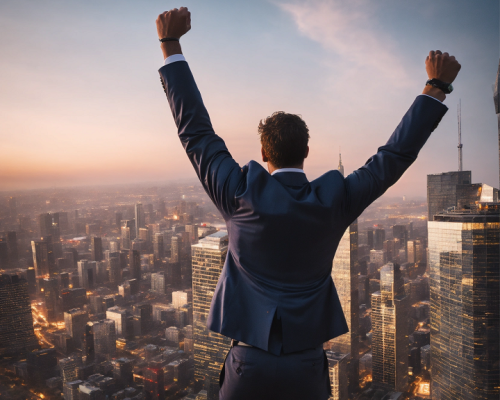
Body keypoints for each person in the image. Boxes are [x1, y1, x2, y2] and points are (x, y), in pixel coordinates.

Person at [155, 7, 461, 400]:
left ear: (264, 152)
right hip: (306, 368)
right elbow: (392, 157)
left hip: (248, 367)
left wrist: (171, 46)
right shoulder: (334, 200)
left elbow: (196, 132)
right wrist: (435, 86)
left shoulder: (238, 194)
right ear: (307, 150)